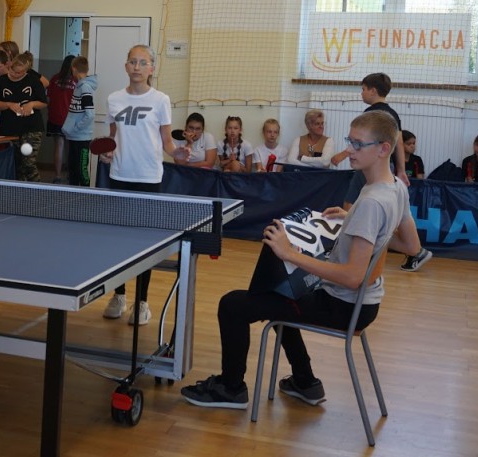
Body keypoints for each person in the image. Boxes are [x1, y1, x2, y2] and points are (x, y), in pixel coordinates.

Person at [181, 110, 412, 410]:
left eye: (358, 144)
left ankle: (231, 389)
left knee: (233, 305)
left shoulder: (371, 202)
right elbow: (410, 244)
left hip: (343, 305)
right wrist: (352, 221)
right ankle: (305, 382)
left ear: (383, 149)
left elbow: (352, 277)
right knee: (279, 293)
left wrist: (289, 253)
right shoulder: (395, 187)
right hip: (365, 304)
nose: (350, 150)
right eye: (349, 141)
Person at [99, 45, 189, 325]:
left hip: (149, 178)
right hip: (120, 176)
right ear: (126, 66)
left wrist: (176, 153)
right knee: (118, 242)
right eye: (132, 62)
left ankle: (141, 302)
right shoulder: (114, 99)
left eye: (143, 62)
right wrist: (108, 152)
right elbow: (112, 137)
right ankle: (119, 296)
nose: (137, 67)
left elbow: (167, 141)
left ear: (152, 68)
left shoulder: (161, 100)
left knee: (143, 244)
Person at [342, 74, 431, 272]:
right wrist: (401, 170)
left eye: (363, 89)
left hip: (373, 167)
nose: (361, 93)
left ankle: (354, 248)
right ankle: (414, 251)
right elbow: (398, 142)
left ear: (373, 91)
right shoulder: (393, 114)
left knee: (350, 206)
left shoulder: (371, 114)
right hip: (387, 169)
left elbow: (394, 142)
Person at [0, 53, 48, 182]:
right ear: (10, 66)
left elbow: (43, 102)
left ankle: (38, 189)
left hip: (31, 127)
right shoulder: (2, 81)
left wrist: (31, 104)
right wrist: (8, 104)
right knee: (16, 164)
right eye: (12, 70)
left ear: (25, 71)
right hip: (10, 128)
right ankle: (20, 190)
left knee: (29, 163)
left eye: (19, 73)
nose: (14, 74)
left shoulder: (33, 81)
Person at [61, 56, 96, 186]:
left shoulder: (85, 87)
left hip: (82, 137)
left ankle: (85, 195)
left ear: (74, 69)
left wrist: (76, 128)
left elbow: (90, 114)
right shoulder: (79, 86)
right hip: (74, 136)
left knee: (82, 170)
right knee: (73, 169)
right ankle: (73, 194)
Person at [46, 56, 77, 183]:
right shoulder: (76, 81)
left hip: (55, 118)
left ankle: (57, 176)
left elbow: (48, 98)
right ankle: (70, 174)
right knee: (70, 148)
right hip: (71, 119)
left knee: (59, 146)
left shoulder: (54, 79)